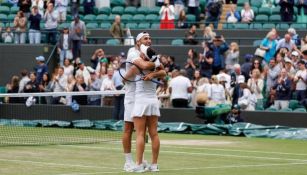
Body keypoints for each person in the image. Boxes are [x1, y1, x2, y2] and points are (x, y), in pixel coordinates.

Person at [122, 32, 157, 172]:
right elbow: (142, 66)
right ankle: (128, 161)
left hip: (143, 97)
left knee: (142, 131)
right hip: (132, 96)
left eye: (150, 38)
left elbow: (160, 71)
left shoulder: (149, 53)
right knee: (128, 128)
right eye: (145, 38)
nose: (149, 40)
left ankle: (140, 160)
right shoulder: (132, 52)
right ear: (138, 42)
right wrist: (156, 62)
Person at [129, 44, 166, 172]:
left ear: (144, 55)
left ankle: (139, 165)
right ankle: (154, 165)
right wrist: (153, 74)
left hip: (141, 102)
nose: (140, 53)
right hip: (153, 102)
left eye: (141, 52)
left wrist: (150, 75)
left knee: (140, 133)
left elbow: (126, 78)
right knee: (154, 134)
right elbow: (163, 72)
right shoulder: (156, 65)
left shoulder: (136, 66)